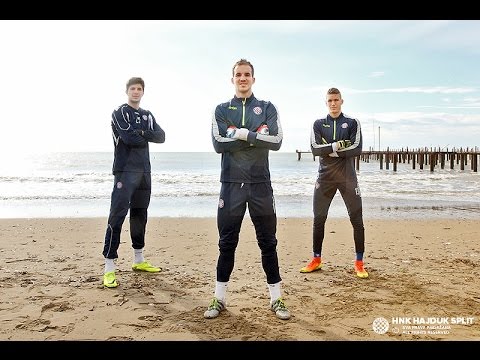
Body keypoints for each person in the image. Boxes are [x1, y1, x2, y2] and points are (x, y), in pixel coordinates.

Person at [205, 58, 290, 320]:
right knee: (226, 243)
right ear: (232, 79)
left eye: (247, 75)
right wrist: (256, 135)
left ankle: (276, 300)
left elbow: (275, 141)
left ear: (254, 78)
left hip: (261, 185)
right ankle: (218, 299)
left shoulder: (267, 107)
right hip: (231, 186)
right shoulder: (221, 109)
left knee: (268, 243)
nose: (243, 78)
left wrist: (241, 134)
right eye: (238, 75)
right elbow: (219, 143)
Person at [102, 77, 166, 288]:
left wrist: (141, 132)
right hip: (124, 172)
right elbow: (128, 139)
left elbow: (161, 136)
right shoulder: (120, 112)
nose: (136, 92)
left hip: (144, 173)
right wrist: (143, 136)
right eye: (133, 89)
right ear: (127, 91)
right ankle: (109, 267)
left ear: (143, 92)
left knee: (140, 216)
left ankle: (138, 260)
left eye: (139, 89)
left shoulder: (147, 115)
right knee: (117, 216)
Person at [300, 87, 368, 278]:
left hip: (347, 177)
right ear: (326, 102)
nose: (333, 103)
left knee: (357, 219)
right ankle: (316, 259)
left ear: (341, 101)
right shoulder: (319, 124)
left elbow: (356, 148)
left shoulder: (352, 122)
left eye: (336, 100)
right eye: (330, 100)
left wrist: (328, 150)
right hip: (325, 178)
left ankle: (359, 263)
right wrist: (337, 145)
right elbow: (315, 149)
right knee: (319, 219)